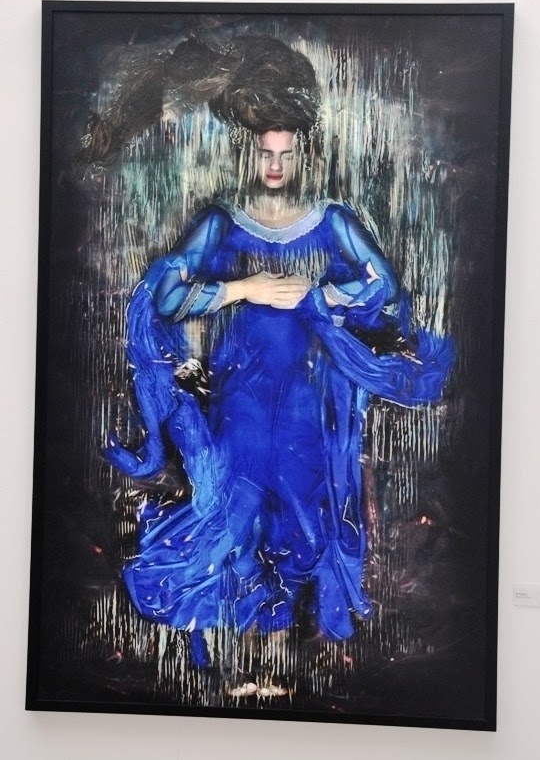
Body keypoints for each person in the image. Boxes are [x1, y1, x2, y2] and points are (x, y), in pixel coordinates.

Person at [98, 35, 452, 671]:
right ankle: (231, 636)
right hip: (241, 391)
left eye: (285, 154)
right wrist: (245, 288)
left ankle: (286, 644)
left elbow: (384, 288)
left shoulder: (331, 220)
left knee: (301, 502)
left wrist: (319, 295)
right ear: (250, 150)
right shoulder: (222, 222)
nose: (275, 165)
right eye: (266, 153)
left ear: (301, 153)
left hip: (305, 393)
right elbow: (168, 297)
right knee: (237, 503)